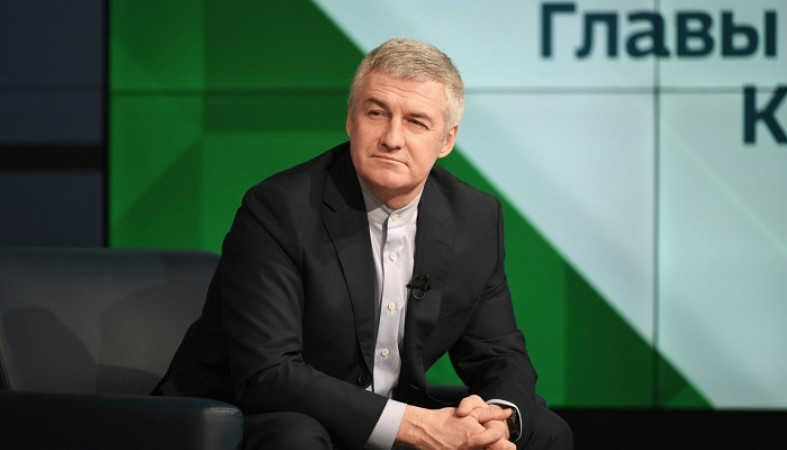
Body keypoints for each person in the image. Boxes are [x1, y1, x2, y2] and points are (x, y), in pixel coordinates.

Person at [154, 37, 572, 450]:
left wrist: (496, 420)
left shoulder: (475, 218)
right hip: (250, 413)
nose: (392, 138)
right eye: (377, 113)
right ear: (351, 120)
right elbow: (269, 373)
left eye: (416, 122)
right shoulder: (280, 209)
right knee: (297, 436)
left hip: (382, 418)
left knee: (546, 432)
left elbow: (499, 353)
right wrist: (415, 426)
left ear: (447, 140)